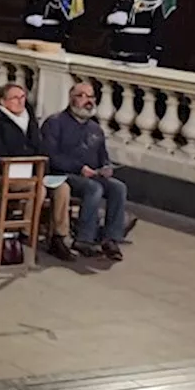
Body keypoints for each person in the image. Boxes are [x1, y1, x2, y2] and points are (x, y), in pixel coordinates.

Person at [0, 83, 76, 261]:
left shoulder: (30, 120)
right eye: (15, 98)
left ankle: (59, 237)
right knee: (38, 189)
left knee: (62, 188)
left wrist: (45, 171)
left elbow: (41, 148)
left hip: (36, 173)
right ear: (3, 101)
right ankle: (27, 235)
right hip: (9, 175)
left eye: (22, 97)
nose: (20, 101)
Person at [41, 82, 127, 260]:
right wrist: (79, 168)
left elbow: (103, 156)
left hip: (92, 174)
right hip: (63, 174)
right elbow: (50, 155)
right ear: (71, 99)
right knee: (93, 189)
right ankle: (84, 239)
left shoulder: (95, 128)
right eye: (81, 96)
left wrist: (106, 166)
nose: (87, 101)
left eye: (90, 96)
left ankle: (110, 238)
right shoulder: (55, 123)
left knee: (118, 188)